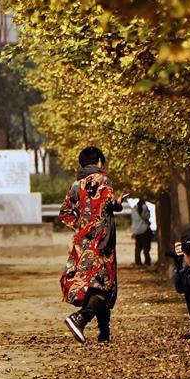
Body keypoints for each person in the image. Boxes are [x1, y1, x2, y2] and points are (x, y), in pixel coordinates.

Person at [59, 146, 126, 344]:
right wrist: (118, 204)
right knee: (104, 287)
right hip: (102, 243)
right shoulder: (103, 179)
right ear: (98, 161)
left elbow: (64, 213)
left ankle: (104, 334)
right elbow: (107, 204)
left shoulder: (76, 185)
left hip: (83, 245)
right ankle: (81, 318)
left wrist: (82, 229)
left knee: (94, 286)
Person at [131, 198, 153, 266]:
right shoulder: (144, 207)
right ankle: (147, 261)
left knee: (138, 247)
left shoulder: (134, 208)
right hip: (145, 229)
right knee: (146, 247)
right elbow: (147, 216)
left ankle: (138, 262)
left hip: (137, 230)